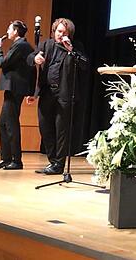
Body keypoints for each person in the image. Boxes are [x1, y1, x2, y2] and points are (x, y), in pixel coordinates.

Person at [27, 17, 88, 175]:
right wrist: (35, 59)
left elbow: (84, 64)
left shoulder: (75, 47)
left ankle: (59, 165)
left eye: (65, 33)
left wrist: (71, 50)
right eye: (59, 31)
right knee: (45, 128)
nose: (61, 35)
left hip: (64, 94)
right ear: (54, 31)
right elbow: (29, 58)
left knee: (61, 131)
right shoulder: (46, 45)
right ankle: (53, 161)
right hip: (46, 92)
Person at [0, 20, 36, 170]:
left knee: (11, 123)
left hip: (15, 88)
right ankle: (6, 158)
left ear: (16, 31)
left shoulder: (20, 45)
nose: (7, 32)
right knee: (3, 123)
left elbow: (3, 63)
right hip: (13, 88)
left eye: (9, 29)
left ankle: (16, 160)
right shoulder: (21, 45)